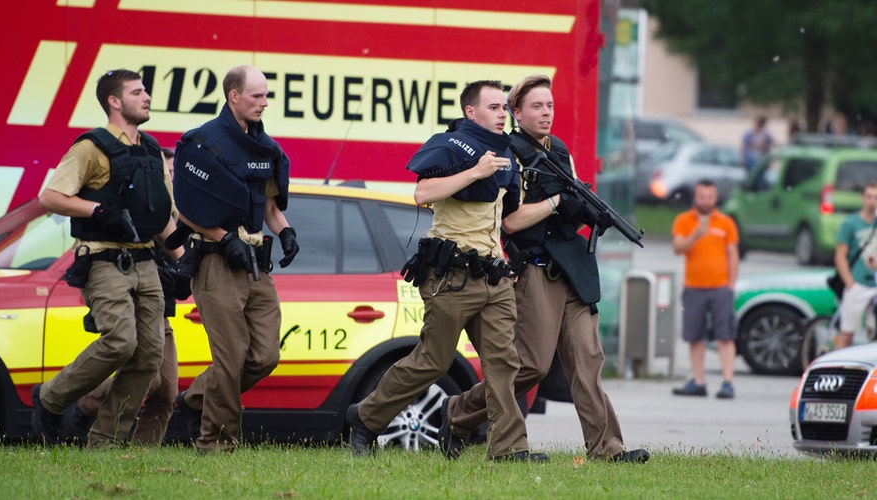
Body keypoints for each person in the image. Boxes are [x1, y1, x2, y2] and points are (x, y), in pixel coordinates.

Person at [439, 75, 648, 464]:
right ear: (516, 113)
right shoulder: (509, 153)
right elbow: (512, 221)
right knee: (531, 364)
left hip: (573, 270)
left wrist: (585, 212)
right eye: (536, 106)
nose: (546, 113)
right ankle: (459, 413)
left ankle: (607, 448)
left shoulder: (560, 151)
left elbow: (568, 205)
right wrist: (556, 202)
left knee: (588, 363)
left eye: (549, 105)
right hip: (535, 269)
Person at [347, 80, 545, 462]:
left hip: (494, 276)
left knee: (504, 363)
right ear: (471, 111)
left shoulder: (508, 157)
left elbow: (508, 218)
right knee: (433, 361)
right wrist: (474, 171)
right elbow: (422, 193)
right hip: (451, 277)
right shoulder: (449, 144)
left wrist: (551, 208)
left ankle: (508, 449)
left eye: (505, 107)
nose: (503, 114)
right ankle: (366, 418)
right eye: (493, 107)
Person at [32, 69, 180, 448]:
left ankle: (104, 443)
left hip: (146, 262)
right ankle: (49, 398)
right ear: (114, 102)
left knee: (148, 359)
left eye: (145, 91)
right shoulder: (90, 147)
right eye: (136, 92)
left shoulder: (151, 150)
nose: (146, 97)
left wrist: (183, 259)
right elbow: (49, 197)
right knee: (120, 341)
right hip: (103, 260)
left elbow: (161, 218)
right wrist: (97, 211)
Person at [171, 65, 299, 453]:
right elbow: (186, 208)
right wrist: (223, 238)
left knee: (265, 355)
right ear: (233, 96)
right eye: (256, 96)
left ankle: (195, 400)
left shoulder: (265, 147)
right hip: (215, 263)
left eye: (266, 95)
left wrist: (285, 230)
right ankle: (216, 442)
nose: (264, 102)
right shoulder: (202, 142)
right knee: (231, 358)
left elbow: (268, 205)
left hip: (256, 264)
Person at [62, 148, 184, 446]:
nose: (168, 178)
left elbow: (181, 253)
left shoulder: (180, 214)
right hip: (135, 302)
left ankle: (141, 455)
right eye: (164, 172)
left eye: (172, 173)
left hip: (162, 308)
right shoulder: (145, 209)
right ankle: (83, 406)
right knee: (149, 378)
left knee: (166, 391)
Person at [672, 180, 739, 399]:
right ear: (695, 197)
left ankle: (727, 381)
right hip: (694, 287)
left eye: (710, 197)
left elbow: (732, 254)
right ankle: (698, 380)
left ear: (715, 198)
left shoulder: (726, 222)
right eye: (702, 197)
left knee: (725, 336)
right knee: (694, 336)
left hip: (720, 287)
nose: (706, 201)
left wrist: (731, 284)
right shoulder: (684, 221)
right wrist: (696, 235)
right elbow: (677, 248)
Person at [833, 181, 877, 350]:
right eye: (869, 197)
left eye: (876, 198)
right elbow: (840, 256)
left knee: (872, 333)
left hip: (874, 282)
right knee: (847, 332)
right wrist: (850, 283)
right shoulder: (851, 223)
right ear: (862, 198)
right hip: (857, 282)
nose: (872, 201)